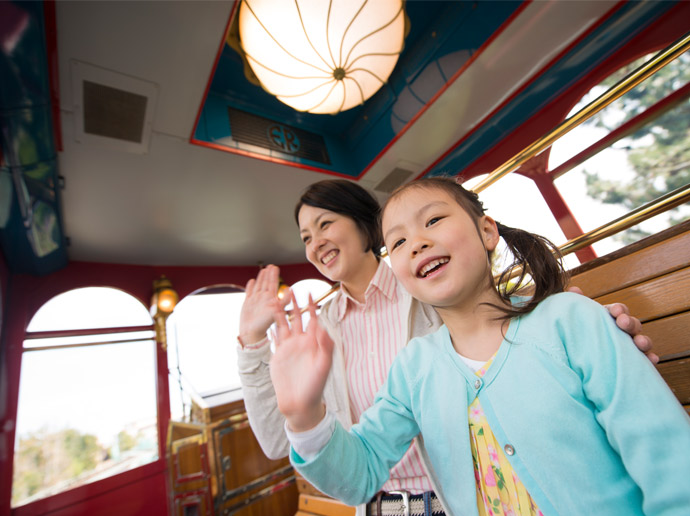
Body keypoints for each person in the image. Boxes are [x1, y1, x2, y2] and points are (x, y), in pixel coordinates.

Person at [269, 177, 690, 516]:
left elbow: (668, 461)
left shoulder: (570, 320)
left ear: (486, 230)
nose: (415, 242)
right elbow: (360, 473)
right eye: (396, 242)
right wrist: (305, 418)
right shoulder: (414, 366)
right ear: (396, 270)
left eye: (432, 220)